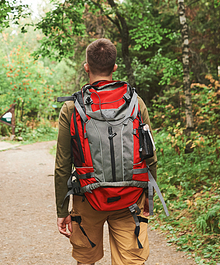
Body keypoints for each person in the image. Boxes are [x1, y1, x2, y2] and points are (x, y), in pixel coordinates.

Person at [55, 38, 157, 265]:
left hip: (87, 198)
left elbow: (63, 165)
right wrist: (148, 197)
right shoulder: (135, 103)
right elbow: (150, 156)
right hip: (130, 198)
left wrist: (62, 211)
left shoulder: (72, 108)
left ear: (86, 67)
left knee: (86, 259)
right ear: (115, 68)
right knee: (130, 261)